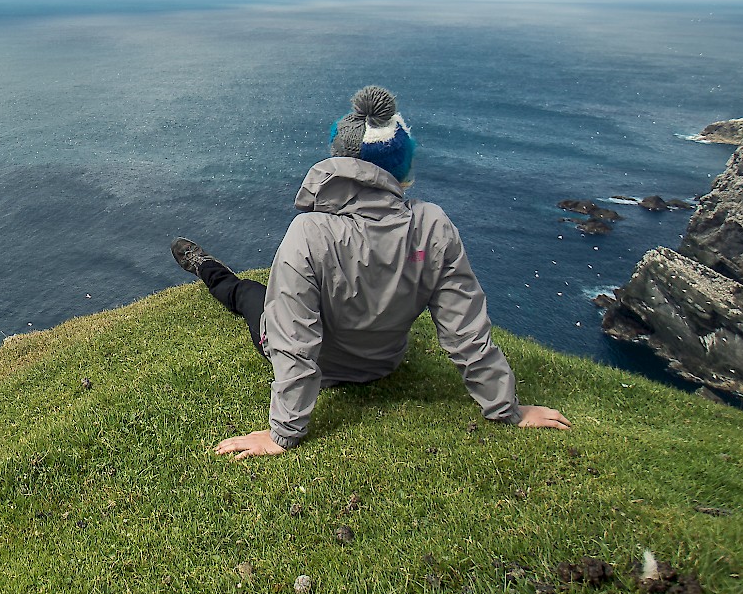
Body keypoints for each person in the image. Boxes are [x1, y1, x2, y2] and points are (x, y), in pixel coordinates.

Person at [173, 85, 570, 460]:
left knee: (247, 294)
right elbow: (464, 329)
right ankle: (208, 267)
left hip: (326, 369)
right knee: (261, 293)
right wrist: (508, 409)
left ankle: (206, 267)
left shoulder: (309, 233)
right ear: (402, 165)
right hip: (384, 364)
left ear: (338, 165)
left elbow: (293, 340)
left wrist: (283, 433)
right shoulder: (433, 225)